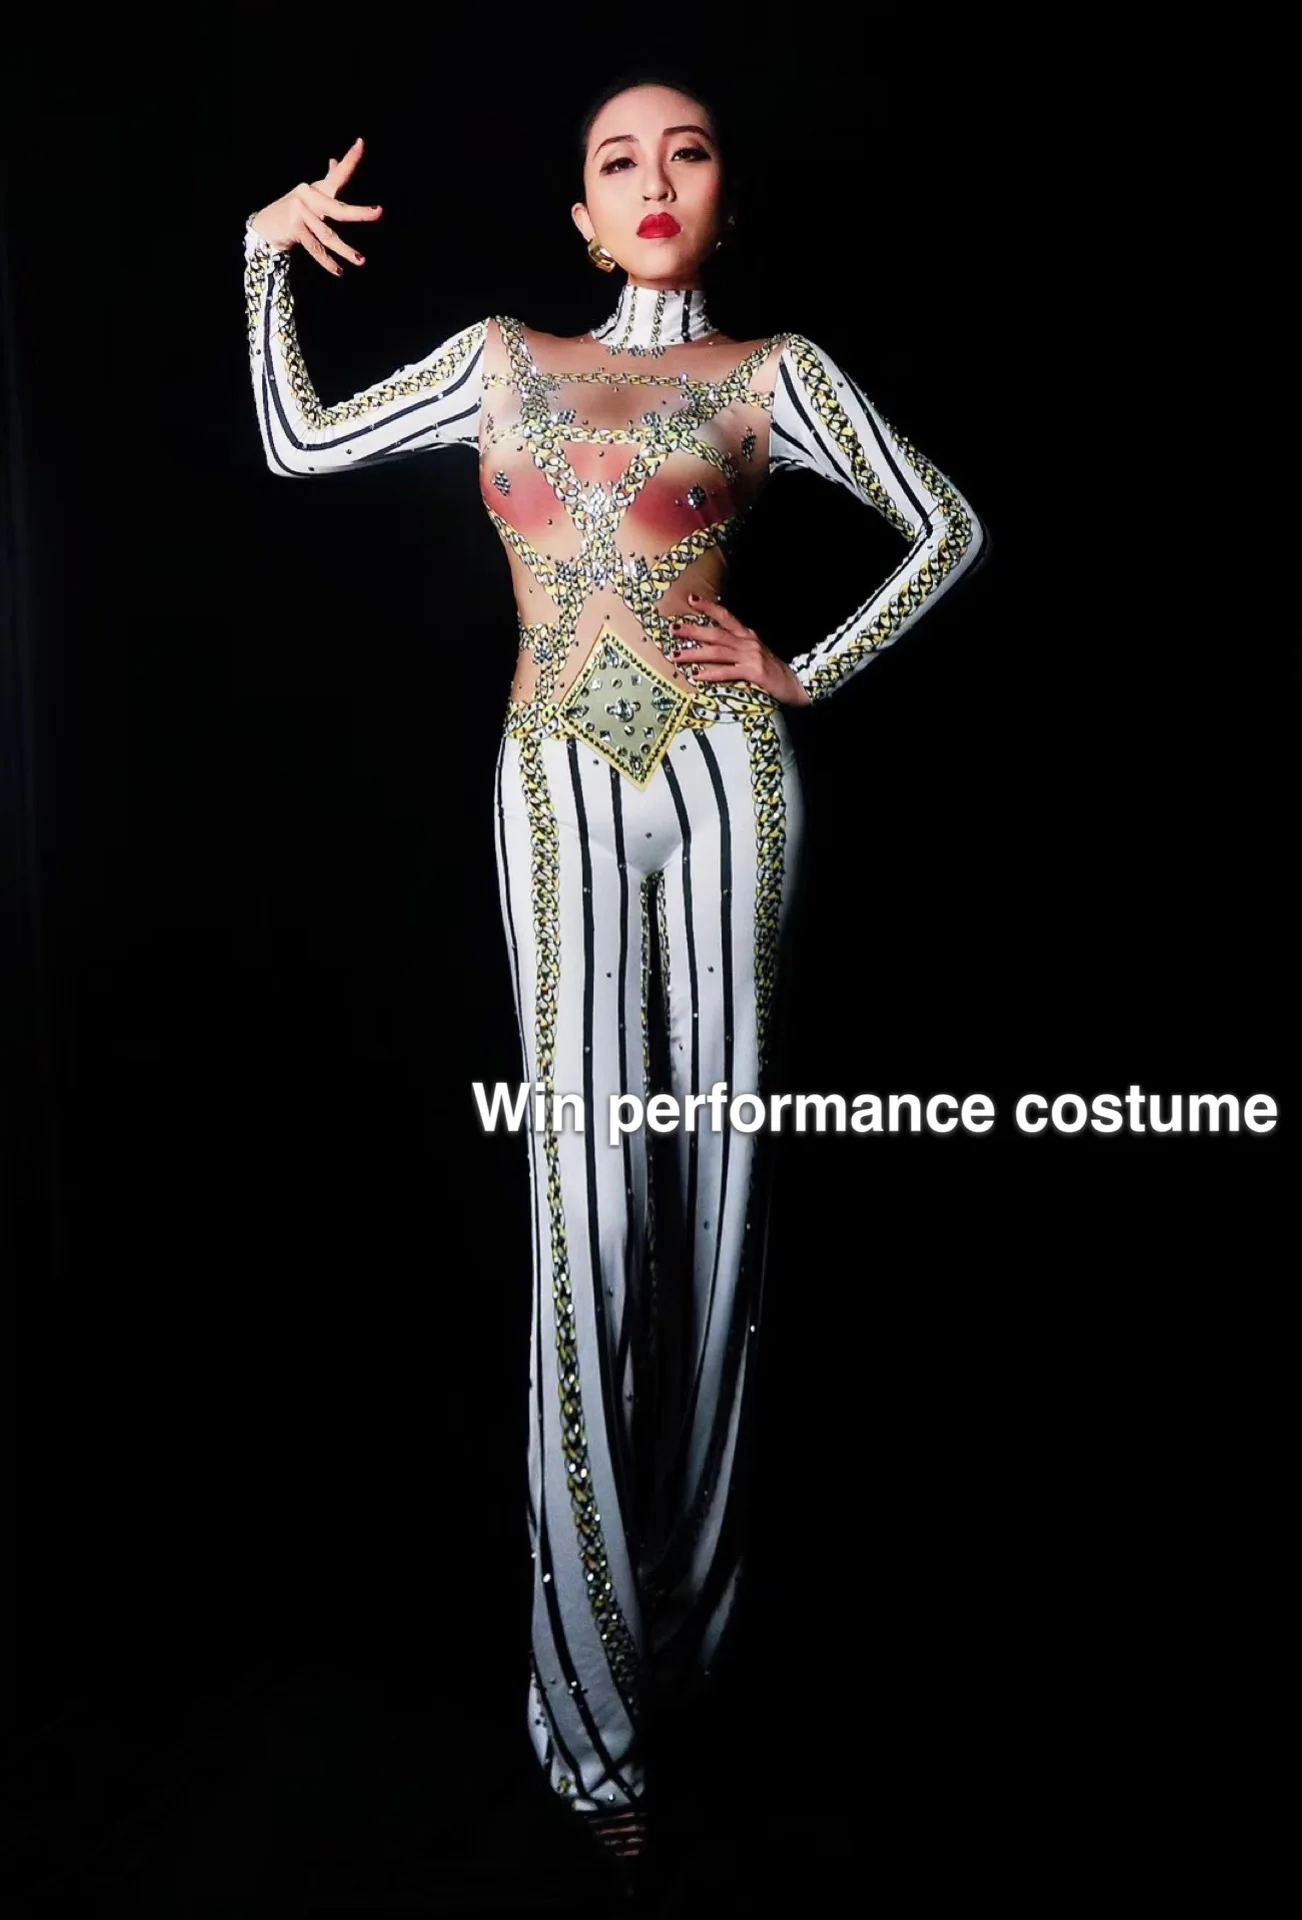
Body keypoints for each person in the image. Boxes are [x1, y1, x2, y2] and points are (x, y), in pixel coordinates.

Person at [242, 70, 987, 1891]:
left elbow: (948, 527)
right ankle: (588, 1728)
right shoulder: (502, 359)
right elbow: (301, 444)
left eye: (689, 151)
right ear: (581, 217)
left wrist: (807, 667)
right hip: (552, 784)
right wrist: (263, 259)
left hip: (730, 781)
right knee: (584, 1222)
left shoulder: (775, 375)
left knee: (720, 1211)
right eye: (618, 159)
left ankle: (691, 1658)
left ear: (723, 197)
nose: (655, 179)